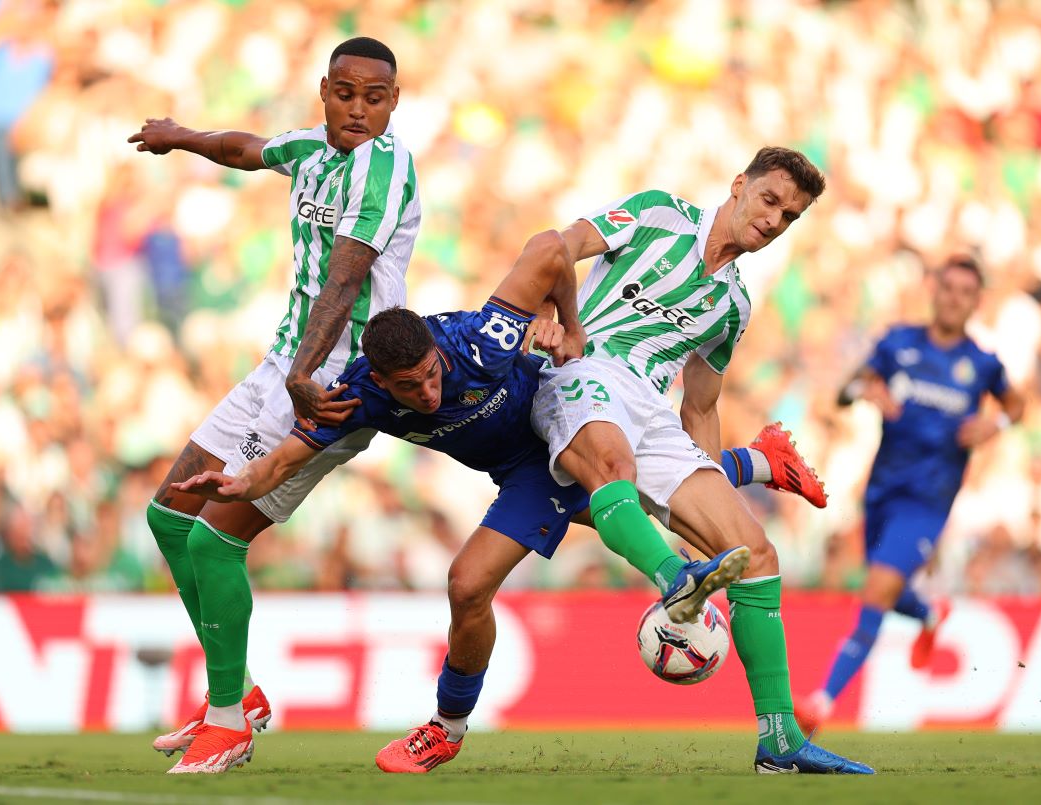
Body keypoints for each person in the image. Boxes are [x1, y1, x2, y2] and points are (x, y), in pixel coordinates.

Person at [175, 232, 830, 774]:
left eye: (432, 374)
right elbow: (284, 459)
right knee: (643, 505)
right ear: (379, 380)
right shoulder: (361, 395)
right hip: (522, 472)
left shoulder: (474, 341)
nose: (429, 392)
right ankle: (763, 461)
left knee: (473, 578)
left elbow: (550, 251)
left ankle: (450, 724)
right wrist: (238, 485)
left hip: (559, 426)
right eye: (411, 386)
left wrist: (568, 326)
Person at [520, 147, 871, 773]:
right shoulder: (658, 215)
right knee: (611, 464)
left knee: (756, 555)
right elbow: (562, 247)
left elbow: (701, 413)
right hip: (582, 368)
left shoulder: (732, 307)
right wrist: (552, 318)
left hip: (652, 412)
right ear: (739, 186)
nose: (773, 220)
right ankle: (672, 581)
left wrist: (703, 525)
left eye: (789, 216)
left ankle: (780, 737)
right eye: (769, 201)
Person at [128, 36, 420, 774]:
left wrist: (302, 372)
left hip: (337, 387)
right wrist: (180, 138)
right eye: (346, 92)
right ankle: (241, 693)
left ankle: (227, 720)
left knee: (213, 539)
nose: (358, 108)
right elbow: (246, 147)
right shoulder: (310, 149)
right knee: (168, 516)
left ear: (395, 100)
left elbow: (345, 282)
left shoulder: (384, 169)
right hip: (282, 365)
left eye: (375, 97)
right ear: (324, 91)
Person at [796, 255, 1025, 734]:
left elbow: (1016, 404)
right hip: (882, 491)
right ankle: (927, 611)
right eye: (948, 288)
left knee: (878, 587)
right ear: (934, 291)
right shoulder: (897, 342)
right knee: (880, 586)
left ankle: (821, 701)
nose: (954, 298)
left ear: (976, 302)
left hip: (929, 500)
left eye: (966, 292)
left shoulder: (982, 365)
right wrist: (864, 390)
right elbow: (845, 389)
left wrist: (995, 423)